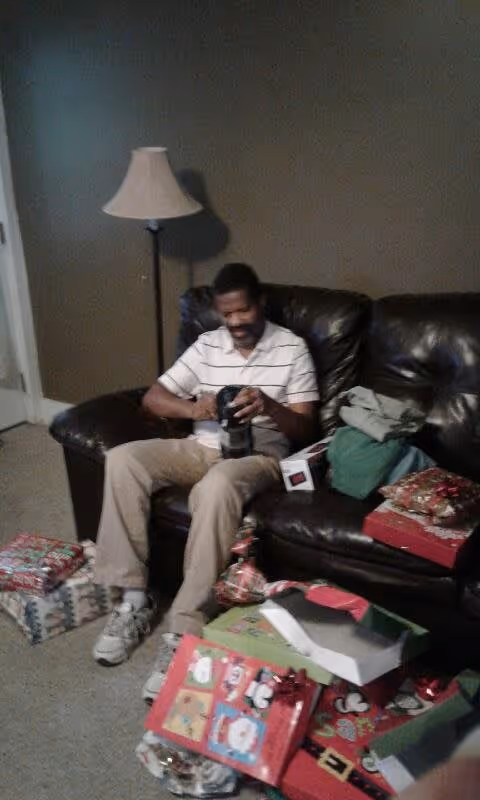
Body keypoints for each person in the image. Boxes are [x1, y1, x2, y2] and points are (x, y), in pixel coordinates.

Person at [92, 263, 319, 702]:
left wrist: (269, 406)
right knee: (122, 459)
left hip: (260, 455)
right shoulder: (207, 344)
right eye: (226, 314)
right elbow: (153, 399)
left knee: (216, 487)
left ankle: (184, 629)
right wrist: (196, 409)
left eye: (243, 312)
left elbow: (307, 430)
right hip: (203, 448)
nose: (235, 323)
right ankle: (134, 601)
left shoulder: (292, 348)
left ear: (260, 304)